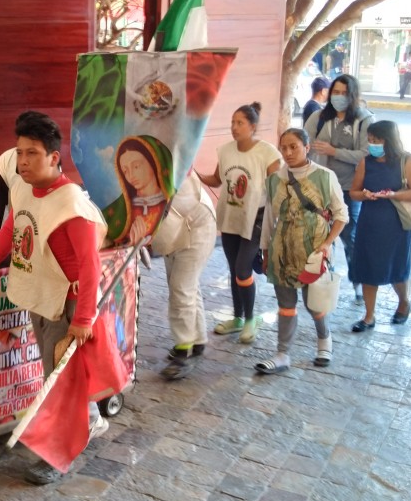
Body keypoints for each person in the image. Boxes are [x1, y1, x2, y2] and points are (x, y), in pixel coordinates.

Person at [0, 111, 109, 485]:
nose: (22, 162)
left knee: (58, 380)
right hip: (40, 292)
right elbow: (11, 231)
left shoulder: (71, 205)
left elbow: (91, 267)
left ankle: (58, 456)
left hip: (68, 304)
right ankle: (89, 420)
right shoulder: (24, 188)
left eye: (32, 154)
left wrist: (83, 320)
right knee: (60, 374)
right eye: (19, 152)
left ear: (54, 158)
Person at [254, 128, 348, 374]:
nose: (288, 152)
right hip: (281, 251)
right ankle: (282, 354)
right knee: (286, 304)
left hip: (313, 252)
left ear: (307, 147)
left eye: (293, 146)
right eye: (283, 147)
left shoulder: (325, 177)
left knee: (315, 302)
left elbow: (341, 216)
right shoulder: (275, 179)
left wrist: (326, 245)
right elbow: (269, 219)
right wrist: (265, 251)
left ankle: (324, 341)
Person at [197, 102, 281, 344]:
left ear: (252, 127)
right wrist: (193, 174)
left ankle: (250, 320)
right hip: (231, 217)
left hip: (257, 218)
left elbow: (277, 189)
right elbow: (216, 179)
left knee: (244, 269)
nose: (234, 127)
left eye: (240, 123)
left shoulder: (268, 153)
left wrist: (274, 226)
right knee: (234, 270)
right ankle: (237, 318)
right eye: (232, 122)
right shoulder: (225, 151)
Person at [348, 121, 411, 332]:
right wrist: (363, 195)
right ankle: (369, 316)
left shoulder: (406, 160)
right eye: (370, 140)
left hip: (396, 223)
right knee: (368, 268)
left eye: (377, 140)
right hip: (370, 221)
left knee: (396, 267)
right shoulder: (366, 162)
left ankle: (404, 302)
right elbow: (353, 191)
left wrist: (393, 194)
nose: (372, 144)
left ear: (389, 140)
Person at [305, 74, 373, 303]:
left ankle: (358, 282)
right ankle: (323, 277)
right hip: (321, 186)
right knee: (322, 235)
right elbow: (304, 143)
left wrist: (334, 152)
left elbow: (366, 155)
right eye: (336, 92)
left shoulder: (364, 120)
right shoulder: (319, 117)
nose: (339, 97)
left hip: (349, 188)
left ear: (352, 95)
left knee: (349, 236)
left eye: (344, 93)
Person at [152, 169, 216, 380]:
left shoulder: (175, 163)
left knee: (181, 288)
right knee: (186, 286)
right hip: (175, 232)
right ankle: (197, 341)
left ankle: (183, 351)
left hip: (197, 227)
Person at [103, 135, 174, 246]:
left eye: (136, 166)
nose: (130, 176)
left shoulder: (166, 199)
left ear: (153, 161)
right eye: (125, 171)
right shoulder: (120, 207)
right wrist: (130, 244)